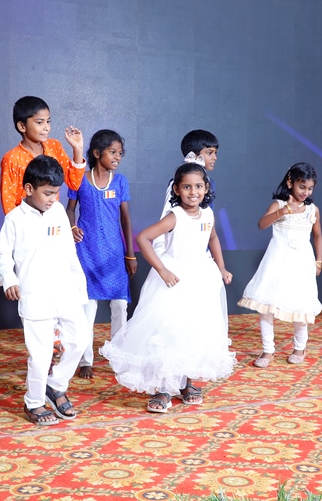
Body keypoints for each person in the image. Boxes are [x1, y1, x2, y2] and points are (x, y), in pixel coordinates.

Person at [100, 162, 235, 413]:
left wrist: (221, 267)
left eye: (198, 186)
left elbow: (213, 238)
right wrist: (162, 270)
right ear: (176, 189)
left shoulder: (208, 214)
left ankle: (187, 382)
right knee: (169, 332)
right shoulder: (175, 216)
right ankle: (163, 388)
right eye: (187, 187)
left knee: (194, 331)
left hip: (201, 280)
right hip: (175, 280)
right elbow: (143, 238)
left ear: (206, 188)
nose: (193, 192)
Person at [0, 155, 90, 425]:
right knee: (40, 354)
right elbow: (2, 254)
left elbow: (70, 252)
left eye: (56, 192)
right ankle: (34, 402)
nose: (53, 198)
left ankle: (56, 385)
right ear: (28, 189)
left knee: (81, 339)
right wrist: (9, 280)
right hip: (34, 293)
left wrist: (78, 285)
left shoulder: (58, 211)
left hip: (65, 290)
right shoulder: (14, 219)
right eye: (47, 193)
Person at [66, 129, 137, 379]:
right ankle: (85, 360)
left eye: (120, 153)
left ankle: (119, 356)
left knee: (120, 305)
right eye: (112, 152)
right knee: (87, 309)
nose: (117, 157)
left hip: (114, 254)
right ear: (97, 153)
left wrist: (130, 254)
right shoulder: (80, 180)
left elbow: (126, 219)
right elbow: (70, 209)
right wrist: (72, 227)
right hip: (86, 251)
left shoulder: (120, 182)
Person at [238, 163, 322, 367]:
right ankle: (268, 350)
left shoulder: (312, 210)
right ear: (290, 183)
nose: (306, 192)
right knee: (267, 305)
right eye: (302, 187)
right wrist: (283, 211)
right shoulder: (278, 205)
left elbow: (318, 236)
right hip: (276, 262)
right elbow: (261, 224)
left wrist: (318, 261)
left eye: (310, 188)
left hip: (301, 263)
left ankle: (300, 348)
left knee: (300, 306)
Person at [0, 95, 85, 215]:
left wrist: (78, 149)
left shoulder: (54, 147)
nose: (47, 128)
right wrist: (18, 223)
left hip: (51, 218)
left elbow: (74, 183)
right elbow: (8, 202)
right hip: (25, 220)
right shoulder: (12, 158)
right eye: (40, 122)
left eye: (48, 121)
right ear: (22, 126)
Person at [152, 129, 219, 257]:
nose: (214, 157)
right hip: (179, 252)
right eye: (209, 153)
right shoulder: (177, 183)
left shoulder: (210, 183)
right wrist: (161, 255)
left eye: (215, 153)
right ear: (194, 155)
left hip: (201, 251)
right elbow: (166, 216)